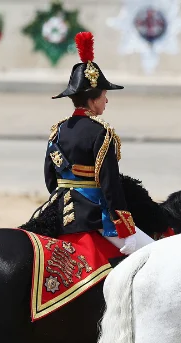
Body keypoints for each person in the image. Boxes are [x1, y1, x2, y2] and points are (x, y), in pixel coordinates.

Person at [35, 31, 153, 255]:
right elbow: (111, 187)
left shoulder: (58, 131)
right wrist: (125, 228)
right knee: (155, 253)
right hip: (93, 217)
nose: (106, 100)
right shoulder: (101, 133)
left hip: (60, 212)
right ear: (92, 98)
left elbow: (51, 179)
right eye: (104, 95)